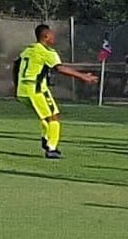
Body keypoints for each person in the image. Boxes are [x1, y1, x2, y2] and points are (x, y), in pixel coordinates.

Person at [13, 23, 99, 159]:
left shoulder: (29, 49)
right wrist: (83, 77)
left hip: (23, 90)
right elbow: (60, 68)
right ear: (46, 36)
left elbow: (16, 64)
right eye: (52, 34)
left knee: (46, 116)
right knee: (54, 116)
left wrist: (16, 85)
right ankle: (51, 148)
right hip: (37, 89)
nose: (54, 37)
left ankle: (46, 138)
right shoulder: (47, 52)